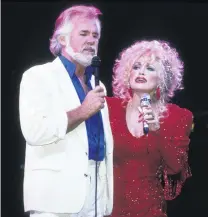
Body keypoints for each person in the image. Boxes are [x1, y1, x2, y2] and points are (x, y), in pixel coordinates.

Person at [19, 5, 113, 217]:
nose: (91, 40)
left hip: (96, 195)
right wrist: (82, 110)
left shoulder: (96, 83)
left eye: (95, 35)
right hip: (56, 199)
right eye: (84, 33)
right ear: (62, 40)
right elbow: (35, 131)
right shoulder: (39, 76)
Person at [105, 40, 193, 217]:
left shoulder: (177, 116)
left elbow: (175, 167)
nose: (141, 72)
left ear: (162, 78)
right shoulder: (109, 108)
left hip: (150, 209)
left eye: (150, 68)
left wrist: (157, 130)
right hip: (108, 209)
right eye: (136, 66)